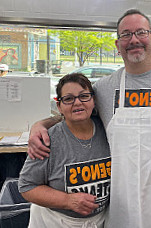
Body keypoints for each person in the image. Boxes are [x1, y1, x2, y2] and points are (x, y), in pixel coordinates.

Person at [27, 9, 151, 228]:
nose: (134, 40)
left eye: (141, 32)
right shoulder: (104, 88)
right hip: (124, 207)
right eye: (126, 35)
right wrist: (40, 125)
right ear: (118, 45)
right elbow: (74, 111)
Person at [18, 73, 111, 228]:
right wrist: (67, 201)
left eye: (84, 96)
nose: (77, 103)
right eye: (68, 99)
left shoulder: (108, 130)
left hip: (102, 220)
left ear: (94, 101)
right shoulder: (48, 140)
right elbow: (27, 186)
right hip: (55, 221)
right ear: (59, 106)